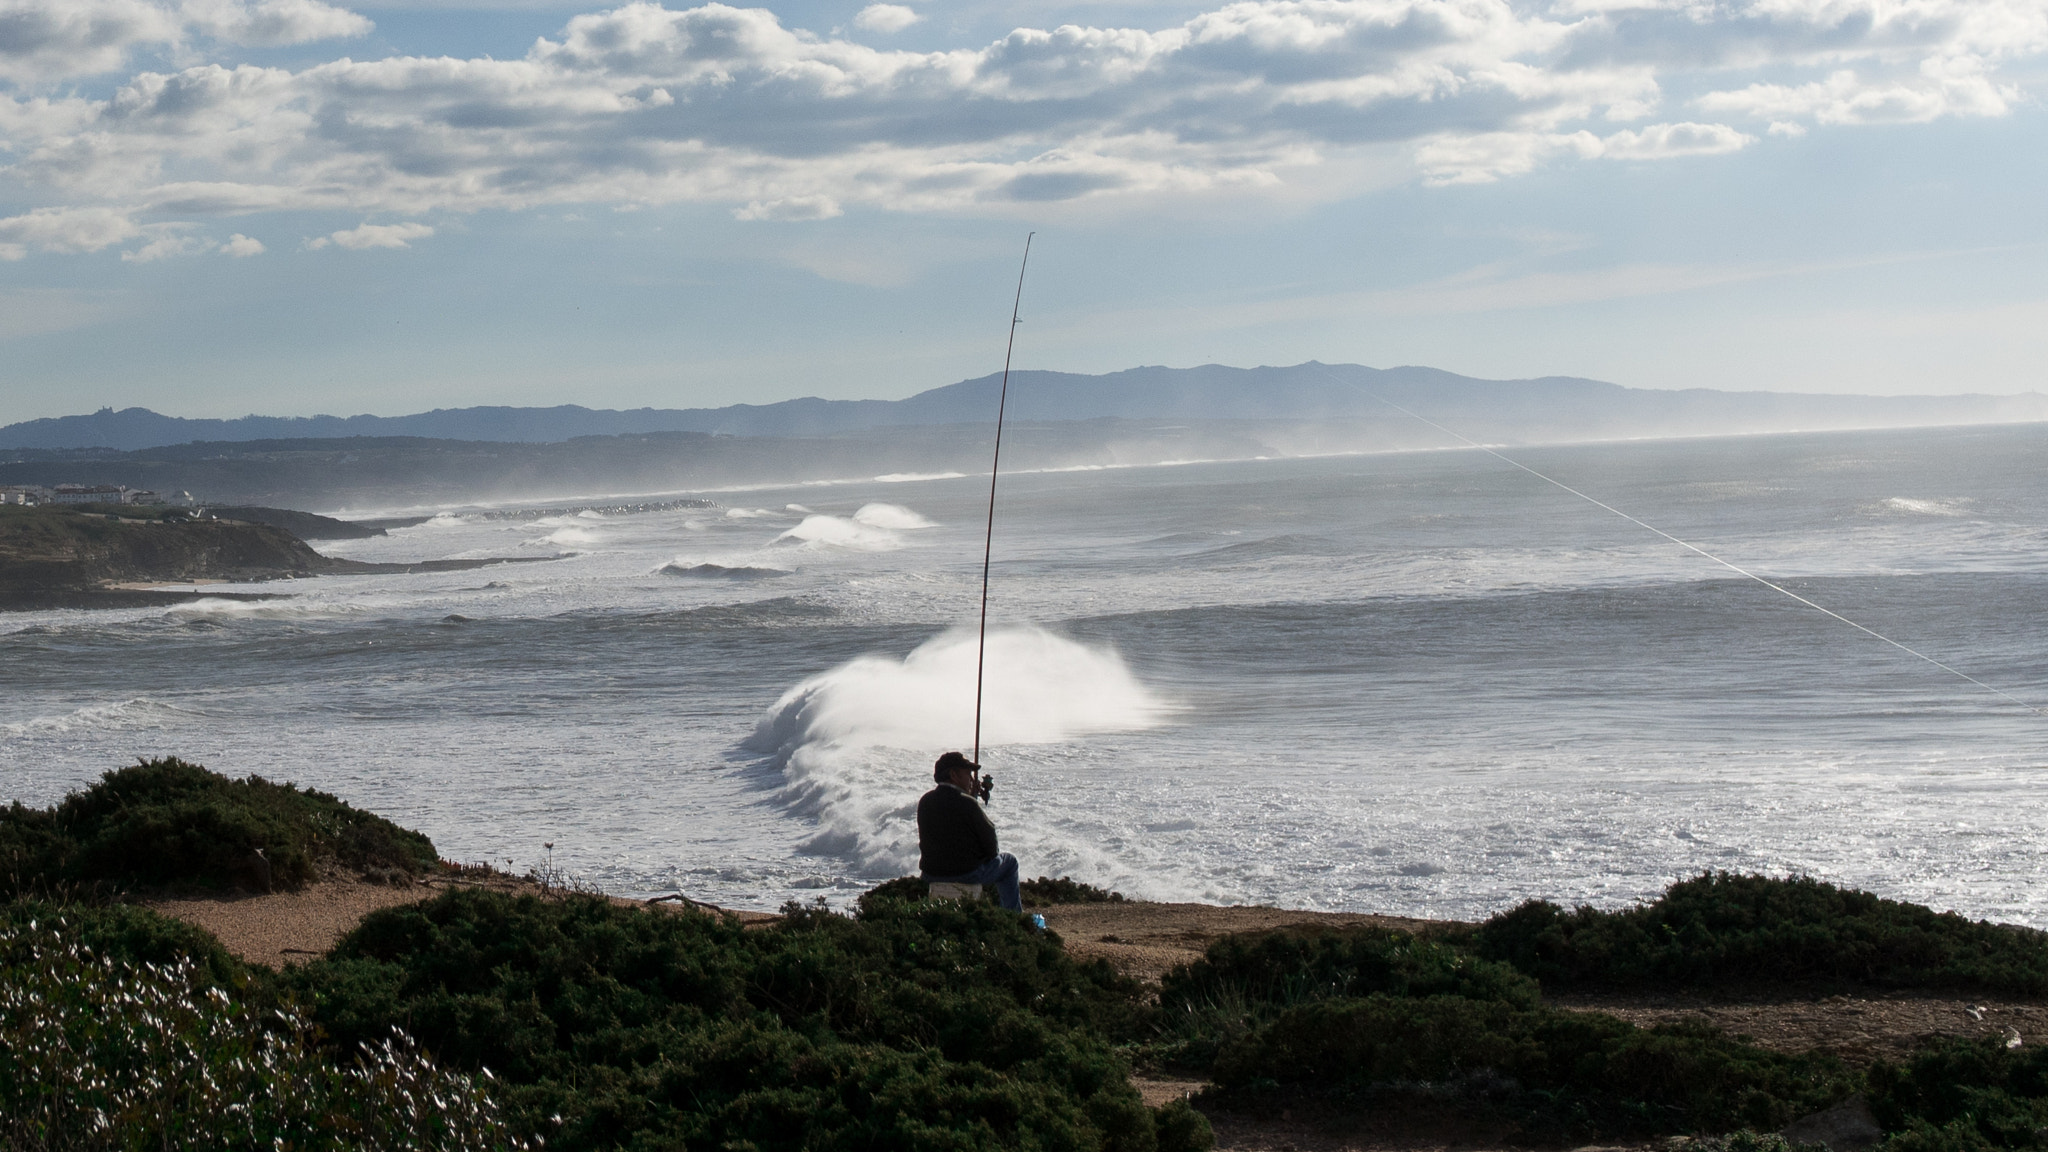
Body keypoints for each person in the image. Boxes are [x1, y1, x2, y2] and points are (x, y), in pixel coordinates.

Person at [917, 751, 1021, 912]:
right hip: (966, 874)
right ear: (953, 774)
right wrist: (971, 800)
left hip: (931, 873)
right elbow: (991, 847)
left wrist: (970, 797)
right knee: (1010, 862)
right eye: (968, 774)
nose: (972, 779)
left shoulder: (925, 801)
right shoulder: (967, 803)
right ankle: (1013, 918)